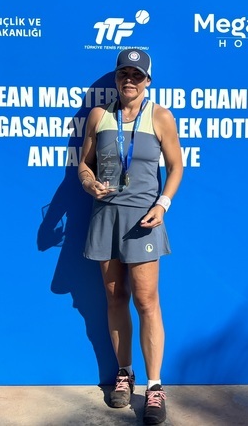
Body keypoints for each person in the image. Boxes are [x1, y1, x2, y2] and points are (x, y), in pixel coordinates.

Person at [78, 48, 182, 425]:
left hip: (143, 221)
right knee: (114, 296)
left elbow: (176, 166)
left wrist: (164, 203)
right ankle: (125, 374)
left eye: (137, 75)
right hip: (105, 217)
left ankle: (155, 388)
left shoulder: (160, 117)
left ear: (148, 81)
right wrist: (89, 184)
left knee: (147, 300)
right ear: (117, 78)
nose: (129, 81)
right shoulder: (99, 116)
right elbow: (84, 167)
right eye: (124, 74)